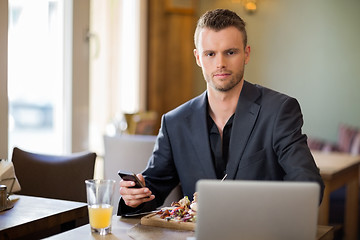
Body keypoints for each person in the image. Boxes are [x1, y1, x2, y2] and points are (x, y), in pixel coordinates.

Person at [118, 8, 324, 215]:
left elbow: (308, 185)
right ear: (198, 58)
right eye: (210, 54)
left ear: (246, 54)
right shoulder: (175, 122)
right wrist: (135, 197)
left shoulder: (279, 110)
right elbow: (152, 189)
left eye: (230, 52)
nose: (220, 64)